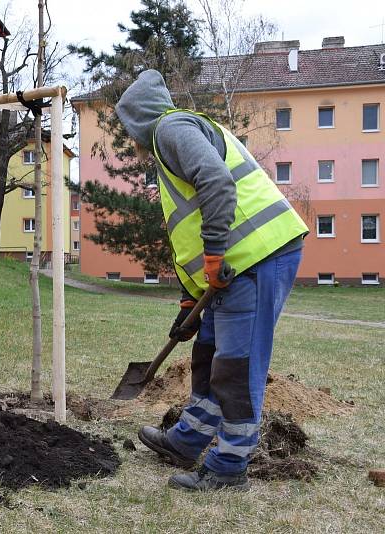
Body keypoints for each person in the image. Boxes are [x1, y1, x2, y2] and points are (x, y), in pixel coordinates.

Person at [115, 69, 309, 491]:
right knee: (207, 353)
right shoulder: (173, 145)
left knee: (236, 366)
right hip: (233, 265)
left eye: (128, 130)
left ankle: (228, 466)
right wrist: (189, 300)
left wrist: (217, 252)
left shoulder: (171, 129)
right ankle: (187, 440)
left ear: (139, 121)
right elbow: (189, 232)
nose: (130, 141)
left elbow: (218, 184)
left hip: (258, 255)